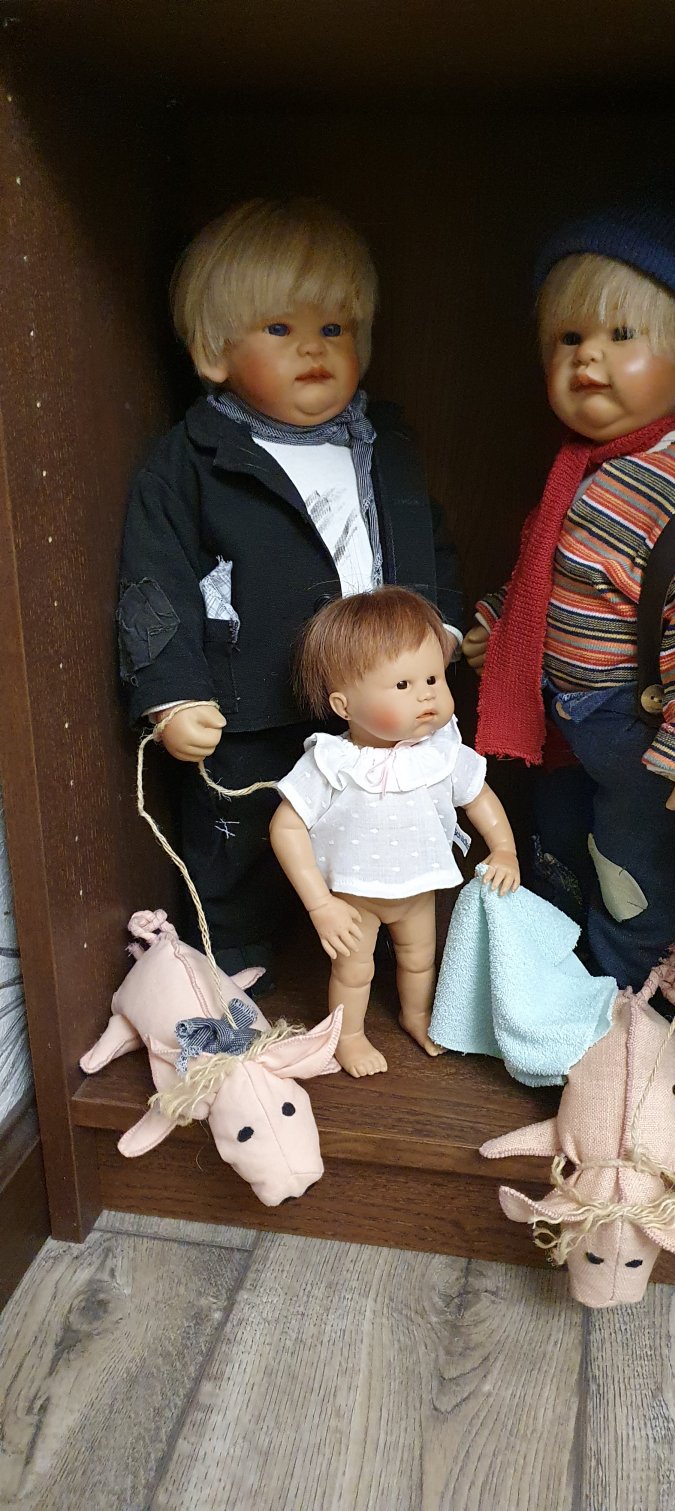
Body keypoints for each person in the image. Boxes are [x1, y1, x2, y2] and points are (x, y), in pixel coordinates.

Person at [462, 180, 675, 1009]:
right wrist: (503, 624)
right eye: (568, 338)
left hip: (648, 732)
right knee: (564, 843)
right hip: (573, 720)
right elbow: (554, 569)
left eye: (622, 335)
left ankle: (639, 999)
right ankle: (569, 979)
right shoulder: (593, 467)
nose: (587, 359)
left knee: (639, 871)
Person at [118, 199, 463, 980]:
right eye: (280, 328)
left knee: (384, 816)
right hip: (252, 696)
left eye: (334, 328)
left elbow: (424, 540)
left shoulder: (383, 445)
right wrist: (171, 693)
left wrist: (438, 629)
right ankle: (231, 953)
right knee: (241, 825)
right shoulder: (194, 460)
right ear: (214, 351)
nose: (314, 347)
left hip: (376, 699)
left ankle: (390, 942)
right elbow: (155, 580)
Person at [271, 587, 520, 1077]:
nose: (426, 694)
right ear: (344, 705)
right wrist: (320, 904)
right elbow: (286, 826)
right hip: (354, 898)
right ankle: (349, 1036)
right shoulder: (332, 761)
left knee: (420, 959)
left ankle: (417, 1015)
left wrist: (505, 848)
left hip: (418, 890)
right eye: (403, 685)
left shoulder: (442, 753)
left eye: (433, 678)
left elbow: (480, 798)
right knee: (353, 969)